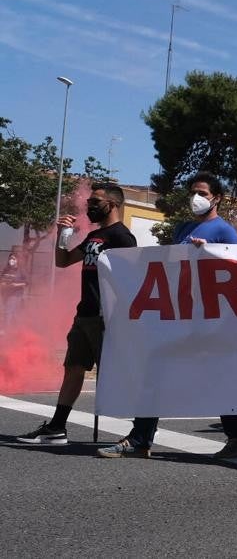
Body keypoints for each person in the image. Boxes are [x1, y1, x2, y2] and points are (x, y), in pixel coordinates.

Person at [98, 173, 237, 459]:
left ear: (216, 198)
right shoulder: (182, 228)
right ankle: (140, 439)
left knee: (217, 378)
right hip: (180, 315)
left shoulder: (224, 231)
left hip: (209, 320)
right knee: (155, 370)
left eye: (203, 193)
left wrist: (208, 253)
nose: (196, 197)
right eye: (193, 191)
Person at [17, 183, 136, 445]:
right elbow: (63, 261)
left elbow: (130, 279)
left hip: (106, 317)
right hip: (85, 314)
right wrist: (63, 234)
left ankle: (142, 429)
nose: (90, 205)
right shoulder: (96, 236)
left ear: (113, 205)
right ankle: (57, 427)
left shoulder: (122, 237)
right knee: (73, 368)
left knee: (114, 373)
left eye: (96, 201)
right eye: (90, 200)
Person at [1, 250, 29, 326]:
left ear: (17, 260)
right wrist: (3, 284)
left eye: (13, 259)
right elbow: (1, 279)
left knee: (8, 310)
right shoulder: (6, 270)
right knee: (13, 312)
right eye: (10, 259)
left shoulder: (20, 270)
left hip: (16, 294)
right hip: (6, 293)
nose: (11, 260)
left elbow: (27, 282)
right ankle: (18, 328)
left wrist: (15, 285)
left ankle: (6, 329)